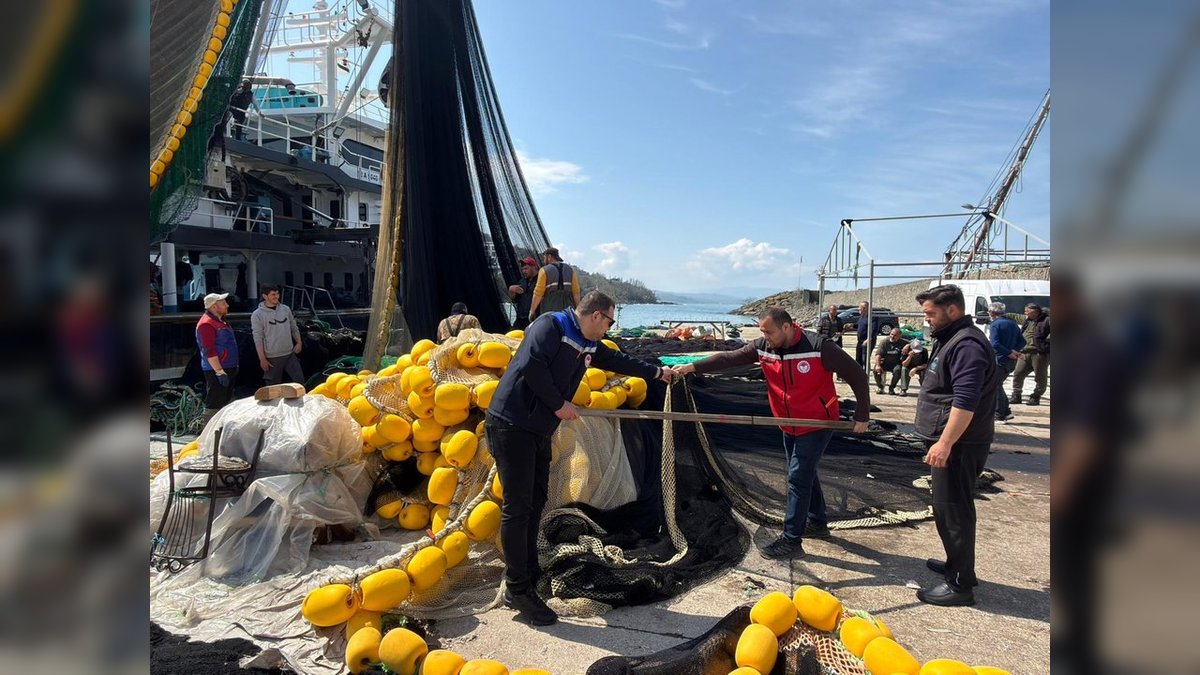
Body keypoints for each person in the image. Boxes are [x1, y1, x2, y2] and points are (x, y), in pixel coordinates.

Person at [485, 291, 677, 626]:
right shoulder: (551, 326)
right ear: (596, 316)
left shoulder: (587, 343)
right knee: (517, 507)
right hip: (511, 425)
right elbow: (531, 364)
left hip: (537, 430)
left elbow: (620, 362)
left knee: (536, 500)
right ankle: (517, 587)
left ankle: (528, 569)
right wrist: (559, 404)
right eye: (610, 321)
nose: (609, 328)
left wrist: (657, 374)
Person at [672, 306, 871, 559]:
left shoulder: (818, 346)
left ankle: (791, 540)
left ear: (787, 327)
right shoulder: (763, 347)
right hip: (788, 422)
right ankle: (817, 522)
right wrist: (692, 367)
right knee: (802, 472)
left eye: (769, 331)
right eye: (762, 331)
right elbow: (729, 358)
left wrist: (862, 414)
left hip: (817, 422)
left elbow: (857, 376)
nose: (765, 336)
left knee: (798, 478)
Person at [912, 284, 1003, 607]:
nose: (928, 320)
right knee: (946, 507)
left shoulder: (966, 345)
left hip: (960, 444)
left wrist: (945, 442)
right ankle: (956, 563)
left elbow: (965, 401)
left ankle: (961, 585)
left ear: (953, 310)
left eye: (931, 313)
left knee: (954, 510)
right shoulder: (951, 338)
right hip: (953, 441)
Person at [195, 292, 239, 428]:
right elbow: (209, 350)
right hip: (217, 369)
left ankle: (223, 430)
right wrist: (219, 371)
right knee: (214, 401)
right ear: (214, 307)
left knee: (226, 399)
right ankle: (207, 432)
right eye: (223, 303)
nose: (227, 305)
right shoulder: (206, 324)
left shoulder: (221, 321)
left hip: (229, 365)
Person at [251, 284, 304, 386]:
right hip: (272, 357)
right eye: (273, 294)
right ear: (265, 296)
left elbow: (293, 327)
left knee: (299, 381)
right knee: (273, 387)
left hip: (289, 354)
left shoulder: (286, 309)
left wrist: (299, 343)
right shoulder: (257, 315)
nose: (276, 296)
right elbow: (258, 337)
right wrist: (262, 359)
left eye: (277, 294)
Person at [987, 302, 1025, 422]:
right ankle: (1006, 411)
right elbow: (1022, 341)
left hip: (999, 359)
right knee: (998, 385)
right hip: (1010, 361)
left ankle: (999, 413)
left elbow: (995, 343)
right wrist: (1014, 350)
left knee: (995, 386)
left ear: (992, 313)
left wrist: (1008, 352)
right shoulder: (1012, 323)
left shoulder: (995, 325)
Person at [1011, 303, 1050, 405]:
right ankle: (1016, 394)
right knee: (1018, 374)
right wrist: (1001, 315)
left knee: (1040, 377)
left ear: (1035, 312)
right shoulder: (1027, 319)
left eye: (1027, 311)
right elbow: (1015, 316)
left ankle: (1036, 396)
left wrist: (1046, 342)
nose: (1025, 312)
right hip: (1024, 353)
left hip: (1039, 354)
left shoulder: (1047, 320)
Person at [527, 247, 580, 321]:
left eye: (544, 257)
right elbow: (576, 293)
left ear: (549, 257)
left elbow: (538, 294)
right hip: (568, 313)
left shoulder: (544, 270)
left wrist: (532, 311)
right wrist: (578, 311)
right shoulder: (570, 270)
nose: (543, 260)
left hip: (550, 312)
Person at [507, 257, 539, 330]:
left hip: (535, 319)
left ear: (534, 267)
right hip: (521, 318)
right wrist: (511, 290)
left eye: (526, 269)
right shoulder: (522, 281)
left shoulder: (540, 280)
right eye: (522, 269)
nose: (524, 271)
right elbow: (514, 299)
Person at [873, 328, 907, 395]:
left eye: (895, 335)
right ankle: (880, 387)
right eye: (891, 334)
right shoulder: (884, 342)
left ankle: (891, 388)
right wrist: (878, 365)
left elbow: (915, 343)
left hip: (896, 363)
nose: (892, 336)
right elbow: (878, 354)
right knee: (875, 370)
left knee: (898, 371)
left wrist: (908, 345)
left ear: (899, 336)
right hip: (885, 362)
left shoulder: (902, 342)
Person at [855, 301, 882, 370]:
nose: (858, 309)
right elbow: (859, 325)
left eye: (860, 308)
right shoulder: (862, 316)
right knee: (858, 358)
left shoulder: (873, 317)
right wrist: (851, 325)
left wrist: (869, 338)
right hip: (860, 341)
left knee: (865, 359)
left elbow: (874, 329)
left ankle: (865, 374)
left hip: (868, 341)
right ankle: (859, 373)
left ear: (864, 308)